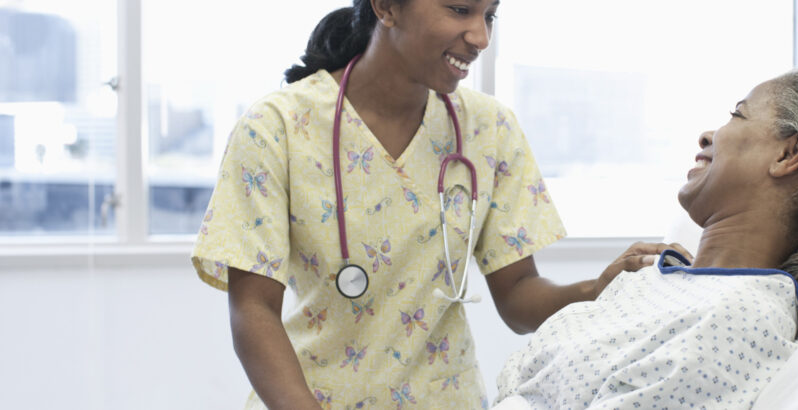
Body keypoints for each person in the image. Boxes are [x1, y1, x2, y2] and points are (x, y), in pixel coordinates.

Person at [190, 1, 673, 409]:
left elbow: (518, 294)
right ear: (386, 7)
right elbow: (253, 309)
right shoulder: (277, 126)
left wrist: (594, 291)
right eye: (461, 9)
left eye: (490, 15)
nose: (480, 36)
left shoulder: (490, 129)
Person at [494, 67, 798, 409]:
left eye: (738, 115)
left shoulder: (739, 319)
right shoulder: (654, 281)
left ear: (788, 155)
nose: (707, 136)